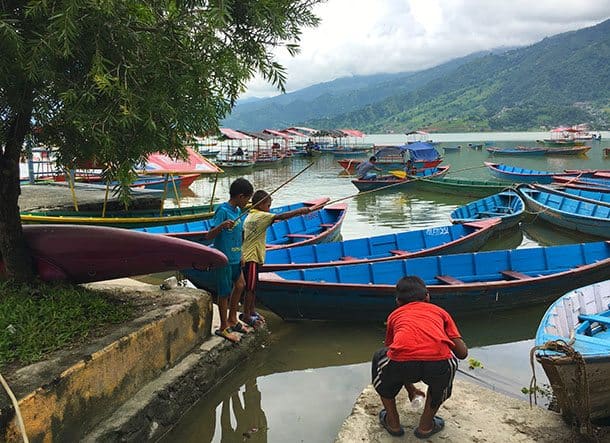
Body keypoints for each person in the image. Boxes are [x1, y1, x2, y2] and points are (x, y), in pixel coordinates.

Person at [371, 276, 468, 439]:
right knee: (448, 364)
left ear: (398, 301)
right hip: (438, 364)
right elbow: (462, 354)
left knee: (380, 357)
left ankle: (393, 423)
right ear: (427, 296)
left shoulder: (394, 316)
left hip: (401, 365)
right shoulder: (440, 312)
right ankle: (426, 426)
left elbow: (397, 351)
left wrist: (410, 388)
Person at [240, 190, 313, 327]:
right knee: (250, 287)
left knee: (253, 286)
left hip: (251, 255)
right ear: (261, 205)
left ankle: (251, 310)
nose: (269, 208)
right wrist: (302, 211)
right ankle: (246, 315)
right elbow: (283, 216)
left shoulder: (252, 215)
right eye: (268, 205)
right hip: (252, 257)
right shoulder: (261, 216)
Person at [206, 177, 254, 343]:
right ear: (240, 196)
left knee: (241, 285)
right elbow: (209, 235)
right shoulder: (223, 210)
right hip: (223, 258)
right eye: (247, 198)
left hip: (235, 257)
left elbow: (239, 234)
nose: (248, 202)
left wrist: (241, 254)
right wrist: (222, 226)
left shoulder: (239, 212)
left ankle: (233, 319)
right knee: (224, 292)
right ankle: (223, 327)